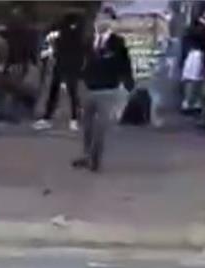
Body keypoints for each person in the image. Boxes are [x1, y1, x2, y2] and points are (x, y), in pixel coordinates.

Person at [73, 7, 133, 173]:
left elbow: (125, 65)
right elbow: (81, 62)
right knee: (87, 127)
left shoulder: (117, 43)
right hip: (88, 88)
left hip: (108, 90)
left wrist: (128, 85)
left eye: (105, 19)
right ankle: (86, 155)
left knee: (100, 128)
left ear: (110, 22)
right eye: (99, 18)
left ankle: (95, 160)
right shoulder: (88, 41)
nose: (101, 22)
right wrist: (78, 80)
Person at [34, 13, 85, 131]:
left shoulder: (61, 34)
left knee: (57, 91)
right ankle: (74, 118)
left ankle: (49, 117)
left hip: (61, 64)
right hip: (70, 65)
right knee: (71, 92)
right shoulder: (78, 34)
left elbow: (56, 49)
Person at [181, 11, 205, 114]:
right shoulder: (199, 29)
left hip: (197, 54)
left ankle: (193, 103)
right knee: (193, 80)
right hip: (195, 54)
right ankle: (190, 103)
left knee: (196, 80)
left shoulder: (199, 29)